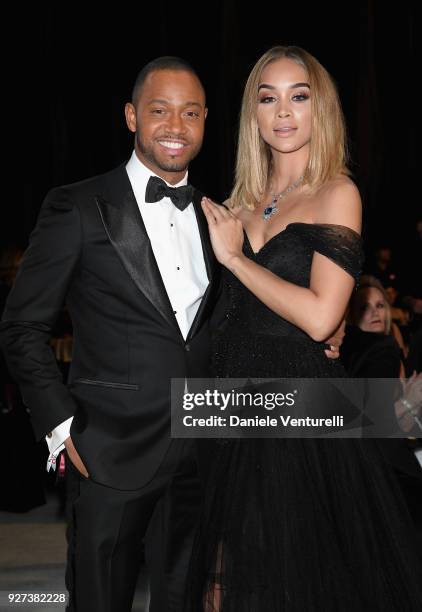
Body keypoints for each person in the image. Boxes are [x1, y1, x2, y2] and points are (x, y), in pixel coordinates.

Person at [187, 46, 422, 610]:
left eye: (299, 96)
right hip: (228, 401)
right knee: (219, 581)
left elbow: (320, 318)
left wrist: (237, 260)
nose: (283, 111)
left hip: (300, 409)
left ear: (323, 111)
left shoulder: (336, 193)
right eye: (268, 97)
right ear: (254, 114)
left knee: (297, 578)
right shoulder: (236, 206)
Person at [0, 56, 219, 612]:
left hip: (200, 454)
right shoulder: (75, 205)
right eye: (160, 110)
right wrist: (57, 422)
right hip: (108, 452)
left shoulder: (219, 217)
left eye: (190, 112)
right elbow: (22, 326)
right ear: (131, 117)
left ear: (205, 122)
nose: (176, 126)